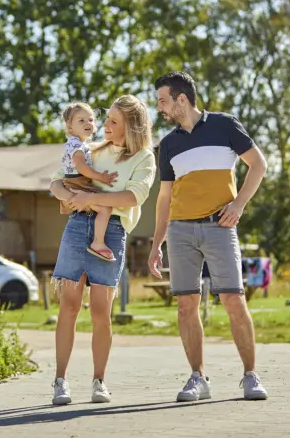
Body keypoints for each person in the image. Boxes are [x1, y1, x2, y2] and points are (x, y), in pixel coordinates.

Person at [148, 71, 270, 402]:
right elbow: (164, 198)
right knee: (187, 306)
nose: (159, 108)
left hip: (220, 227)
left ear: (181, 99)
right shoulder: (169, 144)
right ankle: (198, 378)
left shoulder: (225, 125)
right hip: (180, 230)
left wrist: (239, 204)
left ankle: (250, 376)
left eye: (162, 101)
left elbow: (258, 164)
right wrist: (156, 242)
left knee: (233, 299)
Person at [48, 95, 156, 406]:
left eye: (111, 121)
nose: (103, 125)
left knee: (100, 312)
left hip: (111, 232)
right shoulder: (92, 149)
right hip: (77, 226)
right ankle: (60, 381)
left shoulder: (144, 157)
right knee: (68, 306)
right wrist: (70, 197)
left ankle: (99, 381)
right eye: (105, 119)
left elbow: (133, 197)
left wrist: (90, 199)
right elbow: (57, 182)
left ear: (130, 127)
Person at [58, 102, 119, 262]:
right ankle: (98, 243)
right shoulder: (76, 145)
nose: (88, 123)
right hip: (78, 183)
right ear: (69, 127)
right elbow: (82, 168)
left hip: (76, 183)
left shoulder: (79, 144)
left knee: (102, 207)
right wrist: (101, 177)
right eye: (81, 121)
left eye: (90, 120)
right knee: (105, 209)